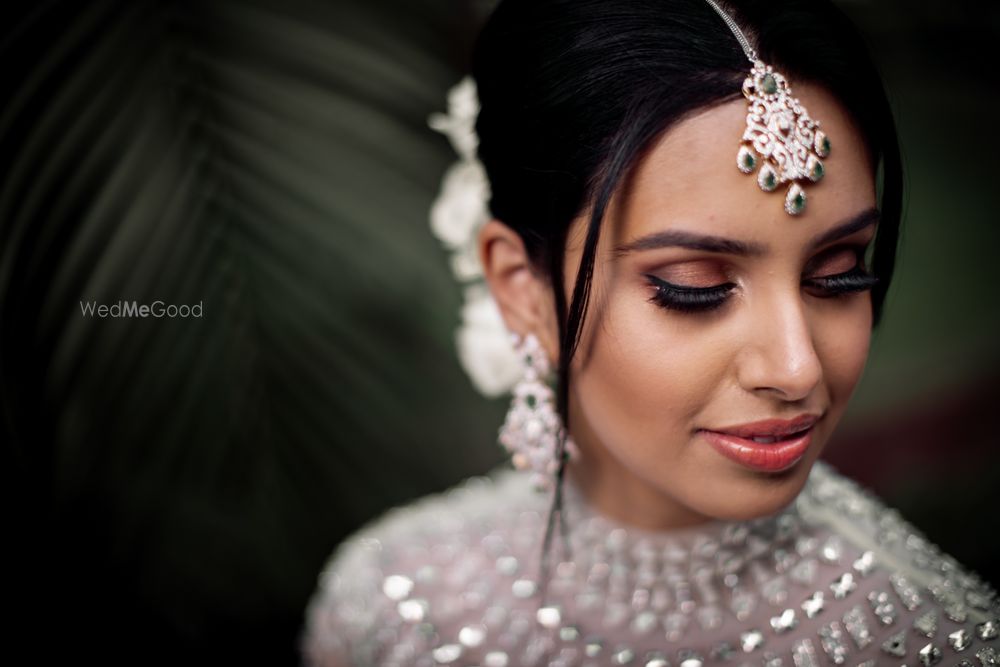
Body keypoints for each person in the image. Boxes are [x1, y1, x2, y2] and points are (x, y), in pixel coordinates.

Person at [301, 0, 999, 665]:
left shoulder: (927, 636)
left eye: (839, 275)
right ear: (524, 289)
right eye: (693, 287)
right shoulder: (391, 606)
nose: (797, 367)